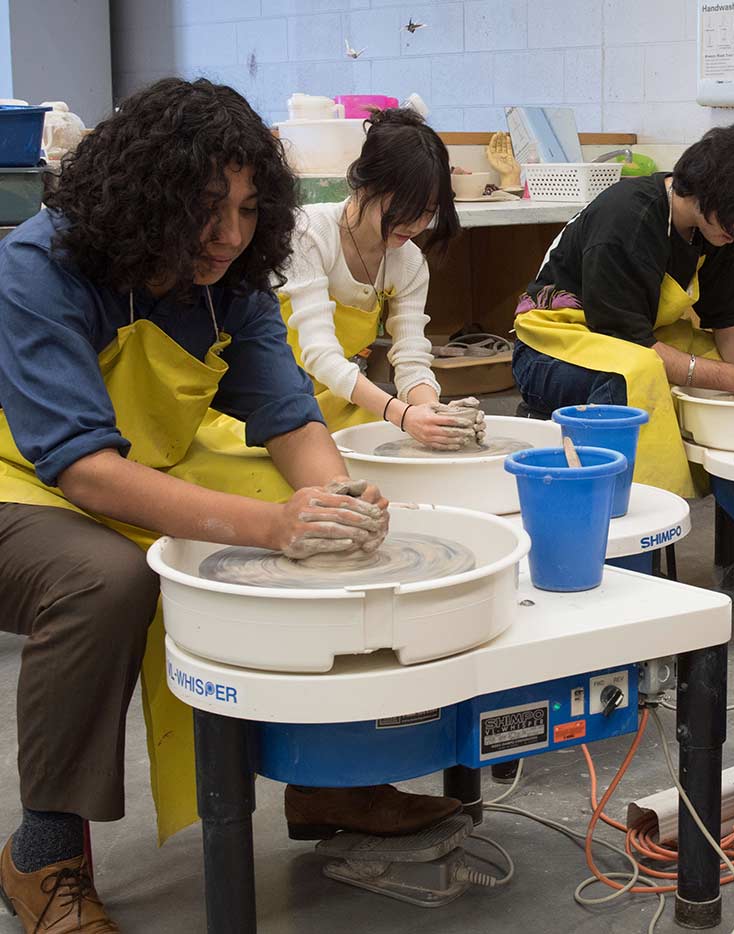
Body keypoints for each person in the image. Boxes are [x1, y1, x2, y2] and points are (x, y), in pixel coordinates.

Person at [0, 79, 399, 932]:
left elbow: (288, 417)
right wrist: (272, 525)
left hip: (147, 458)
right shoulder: (42, 265)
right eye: (207, 208)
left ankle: (336, 784)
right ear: (146, 195)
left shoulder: (232, 278)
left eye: (251, 209)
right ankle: (43, 852)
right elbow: (83, 470)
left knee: (331, 530)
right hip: (22, 477)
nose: (229, 235)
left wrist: (339, 500)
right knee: (101, 582)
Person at [511, 123, 734, 497]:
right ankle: (630, 506)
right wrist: (733, 379)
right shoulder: (627, 217)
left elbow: (728, 317)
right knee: (637, 375)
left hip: (637, 336)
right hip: (551, 350)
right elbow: (627, 341)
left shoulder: (719, 228)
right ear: (710, 192)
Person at [278, 108, 482, 449]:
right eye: (404, 207)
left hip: (340, 401)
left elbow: (411, 357)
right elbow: (320, 355)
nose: (415, 224)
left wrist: (433, 413)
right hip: (275, 399)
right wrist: (402, 415)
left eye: (427, 212)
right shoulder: (309, 234)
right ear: (366, 184)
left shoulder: (409, 261)